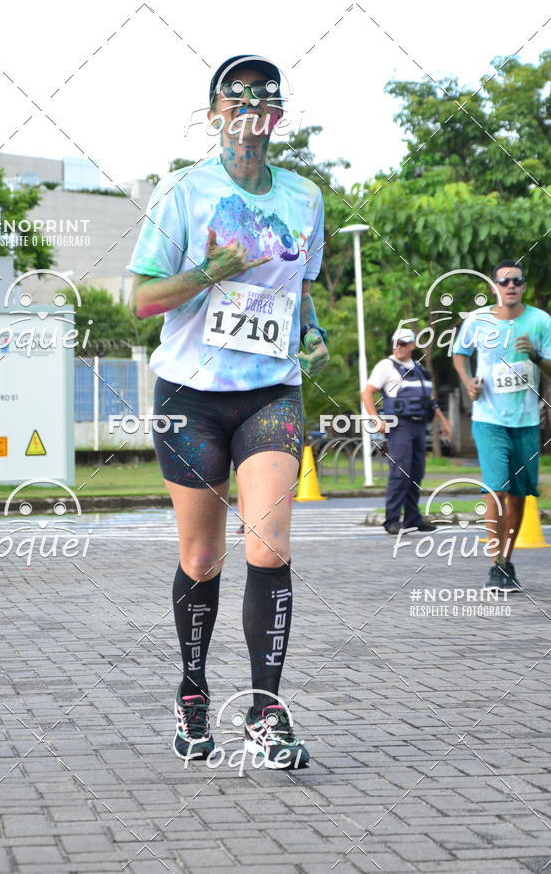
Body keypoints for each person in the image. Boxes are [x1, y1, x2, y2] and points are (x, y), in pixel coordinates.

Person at [128, 55, 329, 769]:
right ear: (213, 112)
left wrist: (312, 330)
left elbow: (300, 287)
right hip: (189, 396)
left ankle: (265, 714)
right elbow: (141, 299)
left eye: (262, 99)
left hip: (271, 391)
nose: (249, 110)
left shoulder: (305, 196)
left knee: (268, 548)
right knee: (202, 556)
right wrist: (210, 272)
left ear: (277, 116)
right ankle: (192, 693)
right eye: (234, 98)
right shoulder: (183, 191)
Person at [452, 260, 551, 593]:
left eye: (517, 281)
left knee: (519, 495)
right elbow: (460, 353)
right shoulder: (477, 320)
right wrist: (468, 381)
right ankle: (495, 563)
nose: (511, 286)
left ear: (524, 286)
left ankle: (506, 562)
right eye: (504, 282)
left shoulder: (540, 321)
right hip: (488, 419)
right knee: (497, 488)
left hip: (526, 422)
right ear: (494, 287)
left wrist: (536, 357)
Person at [362, 328, 452, 535]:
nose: (398, 347)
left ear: (412, 345)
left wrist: (443, 421)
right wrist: (376, 419)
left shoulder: (419, 368)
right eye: (395, 343)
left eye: (403, 343)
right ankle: (392, 520)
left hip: (419, 426)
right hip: (399, 425)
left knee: (416, 473)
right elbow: (367, 393)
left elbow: (430, 399)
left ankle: (413, 519)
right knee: (400, 473)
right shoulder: (386, 366)